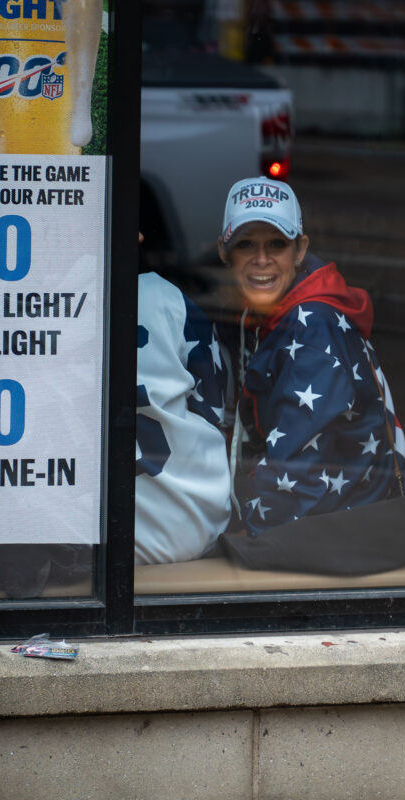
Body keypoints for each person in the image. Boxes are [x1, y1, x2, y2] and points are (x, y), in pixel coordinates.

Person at [218, 177, 405, 536]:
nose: (261, 260)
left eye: (277, 244)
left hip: (344, 535)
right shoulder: (273, 317)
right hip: (330, 524)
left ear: (299, 250)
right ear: (224, 252)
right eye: (246, 244)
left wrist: (240, 529)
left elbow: (296, 480)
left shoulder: (311, 328)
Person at [134, 230, 232, 564]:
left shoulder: (55, 303)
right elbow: (214, 406)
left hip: (102, 539)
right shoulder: (168, 297)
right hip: (194, 523)